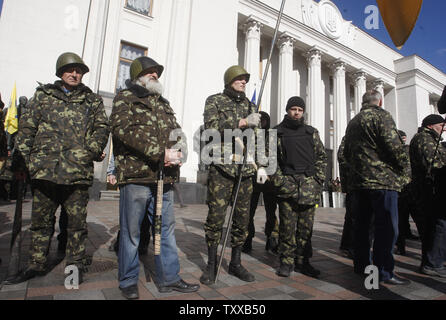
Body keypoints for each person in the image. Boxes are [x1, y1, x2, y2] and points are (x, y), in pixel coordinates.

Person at [8, 52, 110, 284]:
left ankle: (74, 266)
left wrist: (90, 151)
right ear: (60, 72)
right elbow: (27, 129)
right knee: (41, 222)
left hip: (77, 173)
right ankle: (36, 263)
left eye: (79, 71)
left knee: (76, 226)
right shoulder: (43, 96)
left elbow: (102, 128)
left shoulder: (92, 100)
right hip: (45, 171)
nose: (75, 74)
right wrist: (23, 161)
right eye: (70, 70)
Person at [110, 56, 199, 299]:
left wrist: (179, 152)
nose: (155, 75)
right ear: (138, 74)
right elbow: (122, 131)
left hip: (164, 179)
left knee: (165, 230)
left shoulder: (164, 104)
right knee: (132, 232)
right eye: (150, 72)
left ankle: (169, 278)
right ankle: (128, 280)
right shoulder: (125, 98)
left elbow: (177, 132)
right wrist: (160, 153)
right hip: (137, 177)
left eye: (157, 72)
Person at [200, 65, 261, 285]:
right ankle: (211, 264)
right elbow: (211, 129)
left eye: (246, 79)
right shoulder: (214, 101)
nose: (244, 82)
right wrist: (242, 122)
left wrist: (260, 164)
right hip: (222, 168)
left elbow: (257, 138)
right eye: (240, 78)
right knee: (216, 218)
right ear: (229, 80)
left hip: (245, 171)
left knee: (242, 220)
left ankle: (235, 262)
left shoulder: (249, 104)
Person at [343, 90, 410, 285]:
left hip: (360, 183)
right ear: (379, 101)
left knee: (362, 228)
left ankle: (362, 267)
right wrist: (405, 171)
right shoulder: (382, 116)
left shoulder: (353, 122)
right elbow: (395, 148)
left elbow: (346, 153)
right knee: (386, 228)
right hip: (382, 182)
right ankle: (383, 272)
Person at [271, 96, 327, 278]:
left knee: (306, 230)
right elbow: (270, 161)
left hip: (309, 188)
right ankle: (286, 262)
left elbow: (321, 157)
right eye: (293, 109)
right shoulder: (276, 133)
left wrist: (318, 180)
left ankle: (303, 261)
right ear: (287, 110)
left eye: (300, 110)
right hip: (287, 188)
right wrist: (280, 182)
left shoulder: (311, 132)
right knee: (287, 229)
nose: (296, 112)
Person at [409, 114, 446, 277]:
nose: (444, 129)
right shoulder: (424, 138)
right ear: (431, 126)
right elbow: (433, 164)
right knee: (437, 225)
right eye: (441, 125)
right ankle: (433, 263)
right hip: (427, 190)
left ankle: (430, 261)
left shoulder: (429, 138)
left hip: (431, 189)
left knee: (431, 228)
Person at [242, 111, 279, 254]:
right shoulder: (250, 135)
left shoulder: (272, 136)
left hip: (269, 180)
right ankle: (248, 238)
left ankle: (272, 238)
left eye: (264, 121)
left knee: (271, 212)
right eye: (259, 120)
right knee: (249, 212)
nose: (261, 123)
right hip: (252, 179)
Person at [106, 154, 151, 255]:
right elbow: (118, 147)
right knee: (128, 216)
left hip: (151, 176)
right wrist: (112, 171)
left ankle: (143, 244)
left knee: (147, 215)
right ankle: (123, 243)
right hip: (130, 174)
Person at [395, 130, 419, 256]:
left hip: (409, 188)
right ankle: (400, 245)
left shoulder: (408, 149)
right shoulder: (394, 151)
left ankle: (401, 244)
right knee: (401, 219)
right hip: (402, 190)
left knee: (406, 219)